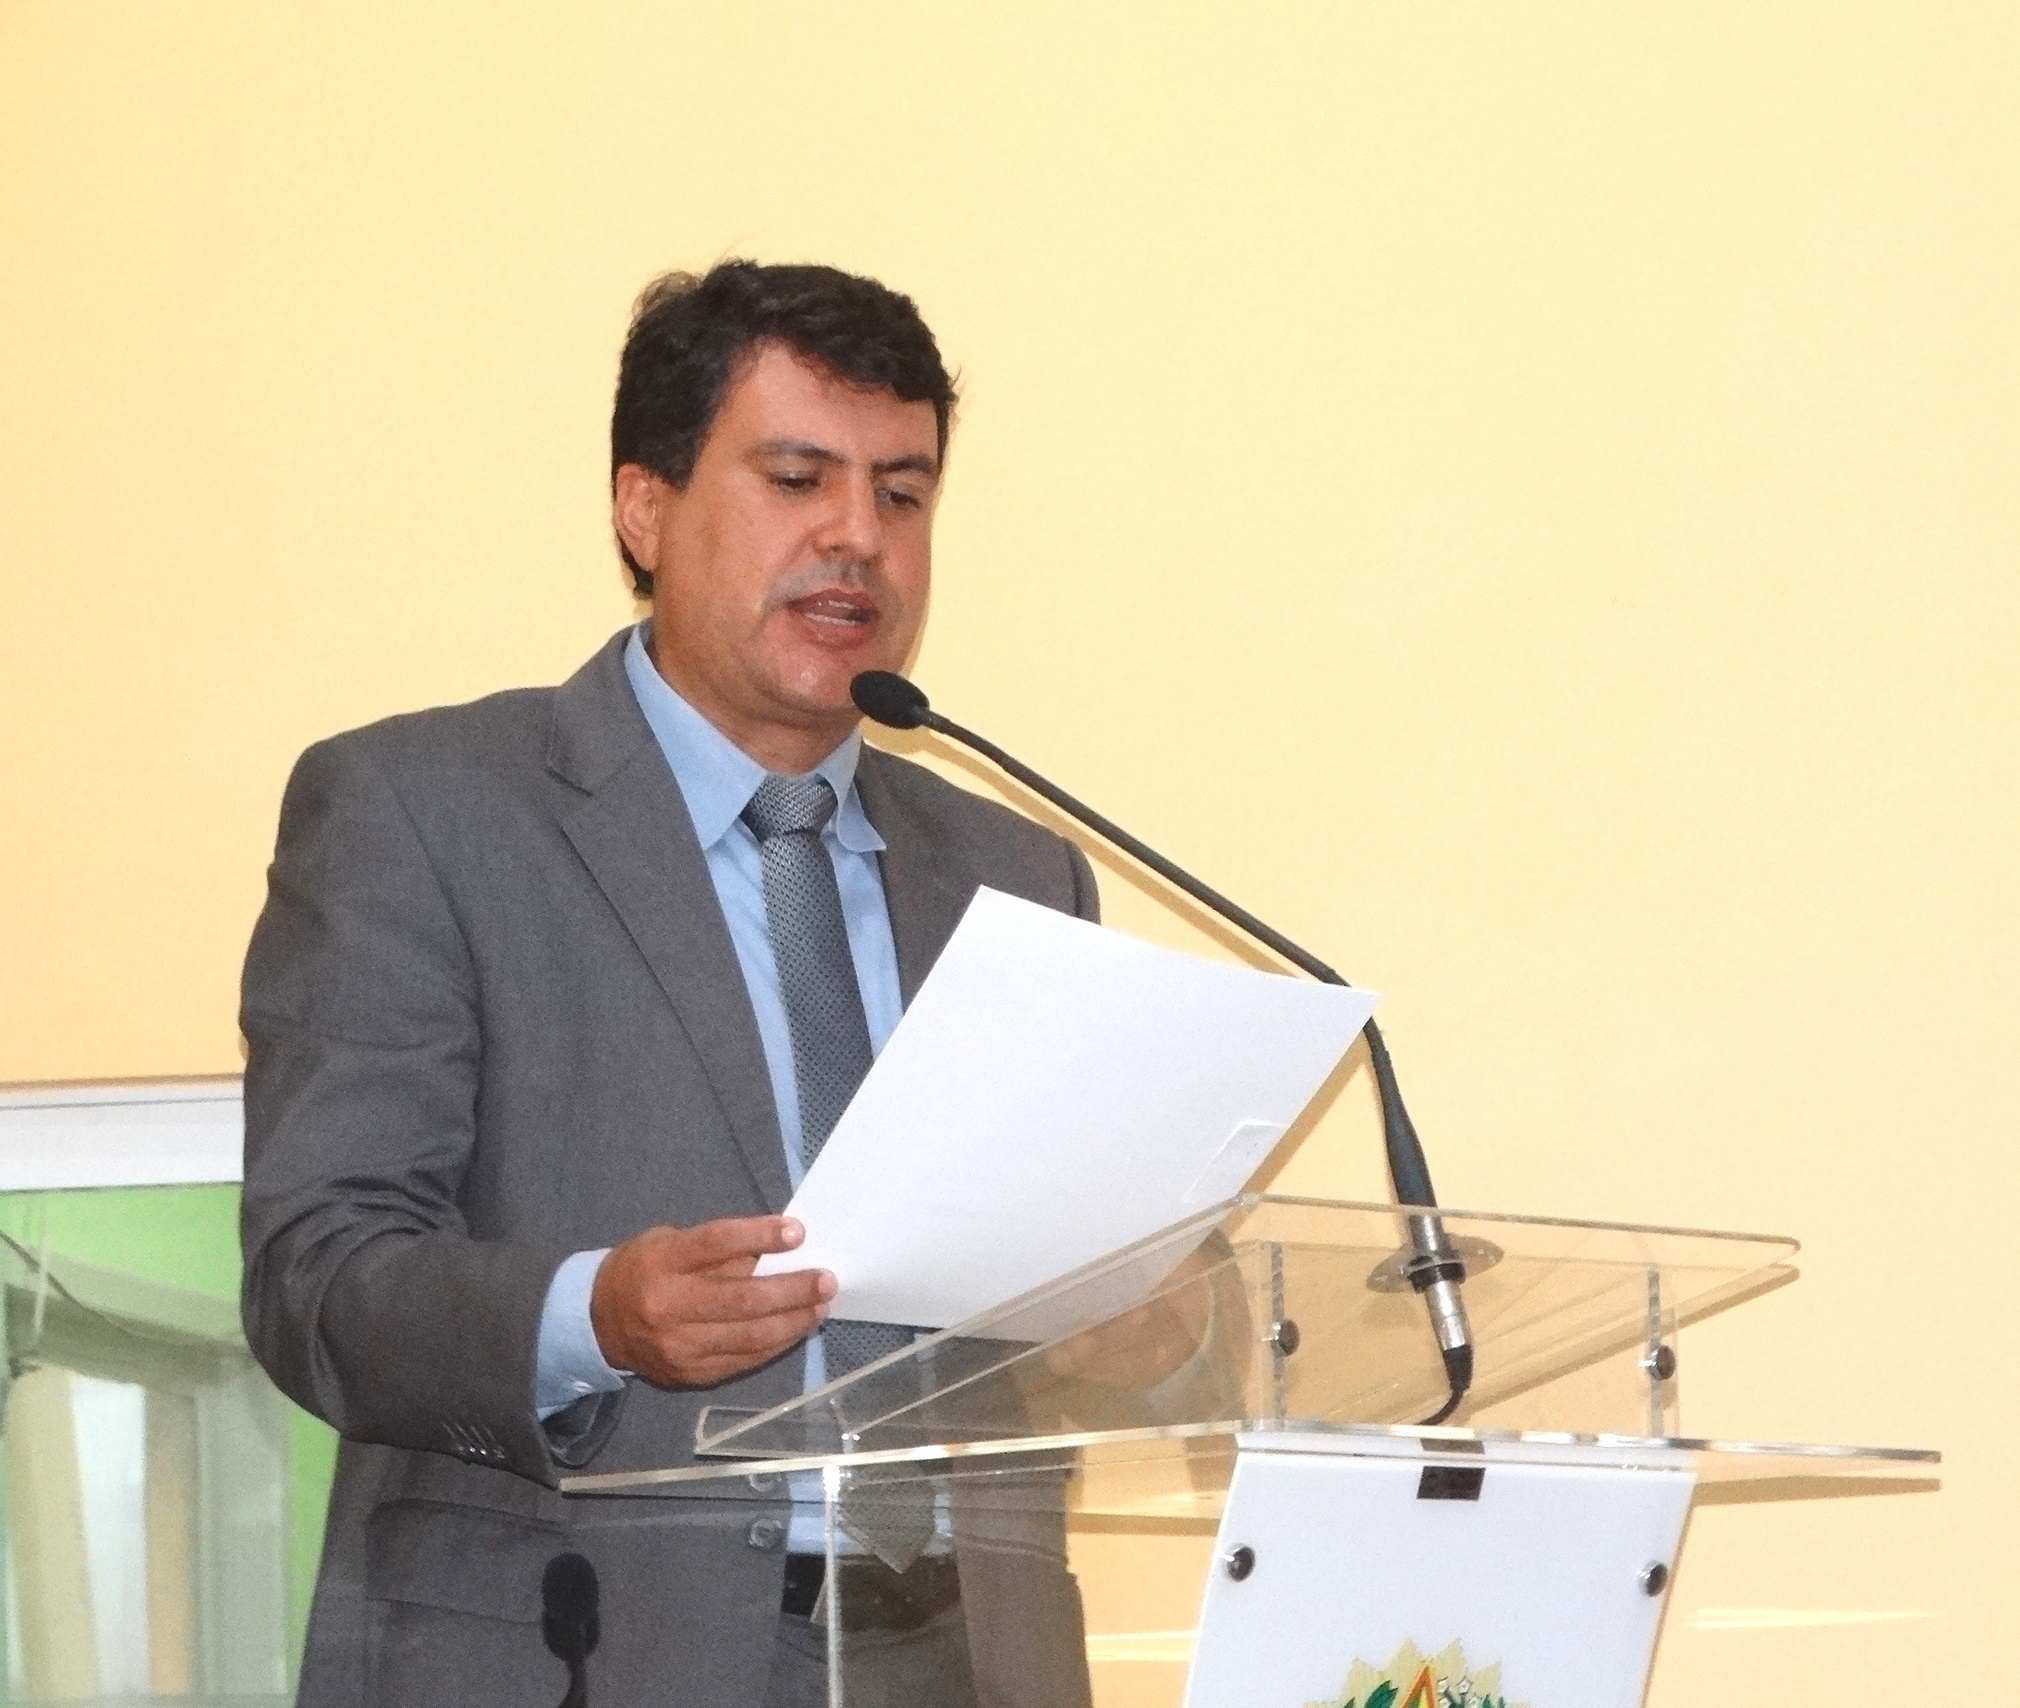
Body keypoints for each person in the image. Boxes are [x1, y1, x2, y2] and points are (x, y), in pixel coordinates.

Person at [240, 261, 1141, 1708]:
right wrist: (591, 1316)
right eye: (797, 479)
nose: (858, 537)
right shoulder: (422, 811)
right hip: (583, 1649)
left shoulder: (1019, 876)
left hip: (966, 1658)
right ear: (642, 509)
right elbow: (317, 1273)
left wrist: (1137, 1326)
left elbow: (1048, 1296)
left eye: (903, 494)